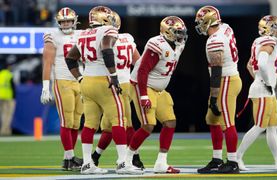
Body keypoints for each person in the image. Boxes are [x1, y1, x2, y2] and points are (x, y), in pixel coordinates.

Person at [64, 6, 143, 175]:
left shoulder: (83, 33)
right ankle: (122, 162)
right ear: (104, 19)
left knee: (90, 124)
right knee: (119, 120)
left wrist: (79, 78)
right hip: (104, 80)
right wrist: (113, 75)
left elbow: (70, 58)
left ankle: (87, 163)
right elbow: (107, 48)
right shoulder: (108, 31)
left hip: (87, 81)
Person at [124, 16, 187, 174]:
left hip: (159, 89)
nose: (180, 35)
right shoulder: (157, 44)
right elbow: (143, 70)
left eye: (181, 32)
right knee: (148, 125)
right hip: (143, 86)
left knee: (170, 122)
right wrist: (144, 95)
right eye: (177, 32)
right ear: (167, 32)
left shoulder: (178, 44)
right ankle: (126, 160)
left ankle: (161, 163)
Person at [237, 15, 277, 171]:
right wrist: (265, 82)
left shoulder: (258, 41)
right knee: (259, 126)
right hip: (264, 89)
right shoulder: (268, 41)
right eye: (275, 27)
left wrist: (262, 80)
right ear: (267, 28)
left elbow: (251, 66)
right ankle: (236, 158)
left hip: (265, 89)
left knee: (272, 127)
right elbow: (262, 64)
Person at [91, 11, 144, 169]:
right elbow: (139, 62)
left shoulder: (103, 39)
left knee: (122, 124)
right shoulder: (127, 37)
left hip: (111, 82)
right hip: (125, 83)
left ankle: (133, 158)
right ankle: (96, 156)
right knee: (112, 125)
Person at [195, 6, 242, 174]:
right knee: (212, 119)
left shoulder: (215, 40)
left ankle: (233, 162)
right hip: (228, 78)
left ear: (208, 21)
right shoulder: (225, 27)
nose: (200, 25)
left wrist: (214, 97)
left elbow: (216, 71)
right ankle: (216, 159)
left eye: (201, 22)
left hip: (225, 80)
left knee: (227, 122)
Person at [40, 7, 83, 171]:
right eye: (62, 21)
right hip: (62, 80)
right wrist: (45, 87)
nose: (65, 24)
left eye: (68, 21)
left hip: (80, 80)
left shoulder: (82, 35)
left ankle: (68, 159)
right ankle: (70, 157)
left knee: (75, 122)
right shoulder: (52, 36)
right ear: (58, 22)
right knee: (66, 121)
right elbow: (48, 62)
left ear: (74, 21)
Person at [0, 62, 16, 136]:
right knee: (8, 114)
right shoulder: (9, 75)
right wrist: (14, 97)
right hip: (9, 97)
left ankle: (3, 130)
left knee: (3, 114)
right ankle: (6, 130)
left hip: (1, 96)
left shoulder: (0, 74)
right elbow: (13, 87)